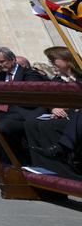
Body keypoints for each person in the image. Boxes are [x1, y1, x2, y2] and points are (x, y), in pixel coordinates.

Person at [25, 46, 82, 178]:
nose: (51, 64)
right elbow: (50, 99)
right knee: (30, 124)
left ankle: (62, 169)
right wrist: (54, 108)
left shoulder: (79, 77)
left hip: (75, 116)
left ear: (67, 60)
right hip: (63, 116)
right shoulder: (56, 80)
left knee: (48, 126)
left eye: (53, 60)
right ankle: (41, 167)